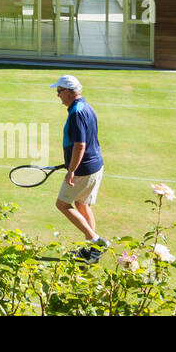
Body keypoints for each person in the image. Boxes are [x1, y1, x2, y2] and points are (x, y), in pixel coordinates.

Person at [52, 74, 107, 262]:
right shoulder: (86, 107)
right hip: (95, 166)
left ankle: (96, 241)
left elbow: (80, 145)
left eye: (59, 91)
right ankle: (92, 251)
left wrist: (71, 170)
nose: (58, 95)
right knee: (83, 204)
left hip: (83, 169)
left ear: (68, 92)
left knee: (62, 204)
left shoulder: (76, 113)